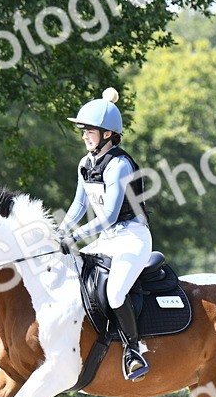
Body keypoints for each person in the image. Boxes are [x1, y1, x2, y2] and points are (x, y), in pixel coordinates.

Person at [59, 87, 153, 381]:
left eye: (90, 130)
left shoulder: (119, 165)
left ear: (108, 134)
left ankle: (133, 350)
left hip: (132, 236)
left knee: (114, 292)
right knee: (69, 275)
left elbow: (110, 216)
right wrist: (59, 232)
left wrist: (75, 237)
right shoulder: (85, 164)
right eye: (83, 130)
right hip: (108, 238)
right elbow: (78, 205)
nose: (85, 135)